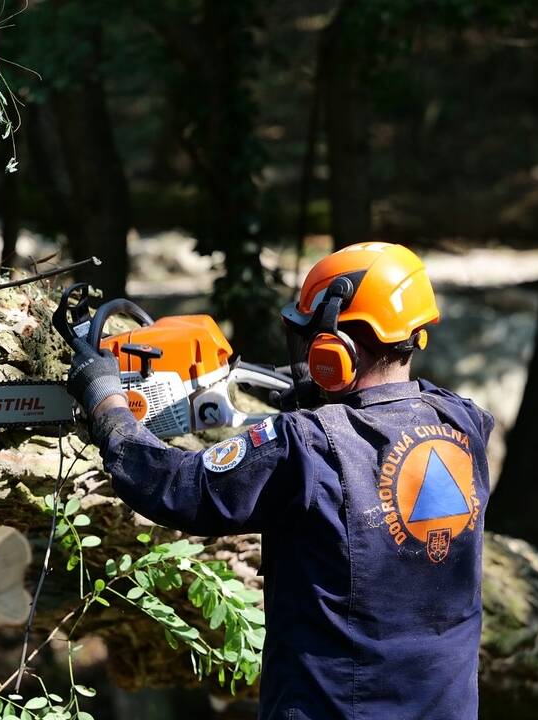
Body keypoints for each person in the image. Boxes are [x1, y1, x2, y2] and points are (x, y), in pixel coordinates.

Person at [66, 242, 494, 719]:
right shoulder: (463, 422)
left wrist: (108, 408)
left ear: (336, 347)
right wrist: (305, 389)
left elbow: (177, 488)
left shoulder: (305, 446)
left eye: (313, 338)